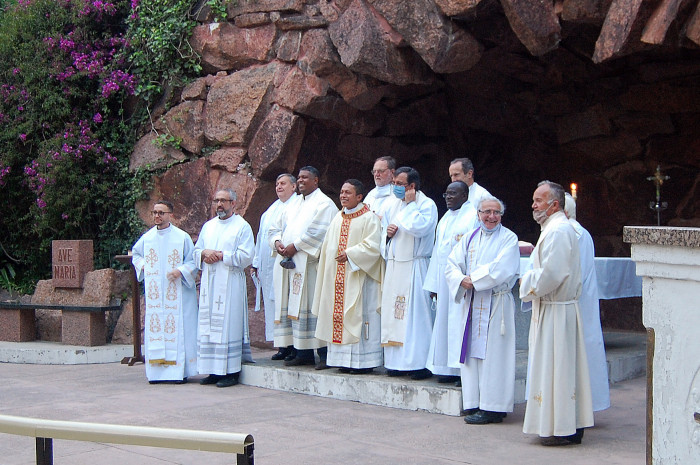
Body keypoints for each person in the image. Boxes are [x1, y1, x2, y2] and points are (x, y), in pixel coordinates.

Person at [520, 181, 594, 445]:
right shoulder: (553, 228)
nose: (533, 205)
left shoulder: (559, 231)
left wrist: (525, 283)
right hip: (554, 309)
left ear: (554, 204)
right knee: (561, 368)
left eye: (538, 200)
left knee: (559, 368)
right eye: (533, 200)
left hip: (557, 310)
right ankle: (567, 425)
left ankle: (560, 427)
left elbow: (553, 273)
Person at [445, 196, 520, 424]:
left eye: (496, 212)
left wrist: (472, 280)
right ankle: (474, 402)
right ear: (478, 214)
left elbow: (501, 268)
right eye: (486, 212)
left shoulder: (508, 238)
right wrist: (461, 279)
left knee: (495, 355)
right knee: (471, 354)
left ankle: (494, 407)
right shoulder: (469, 238)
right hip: (472, 302)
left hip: (496, 303)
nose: (491, 216)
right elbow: (451, 264)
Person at [269, 166, 338, 369]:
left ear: (316, 180)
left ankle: (324, 355)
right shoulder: (293, 204)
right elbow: (274, 228)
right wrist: (278, 243)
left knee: (313, 307)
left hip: (310, 266)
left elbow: (319, 232)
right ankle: (303, 352)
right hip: (290, 264)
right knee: (294, 307)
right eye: (298, 177)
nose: (300, 181)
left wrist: (295, 246)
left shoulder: (324, 203)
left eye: (305, 178)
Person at [312, 179, 384, 374]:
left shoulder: (369, 218)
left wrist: (351, 254)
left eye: (348, 193)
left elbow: (374, 246)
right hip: (337, 278)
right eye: (342, 192)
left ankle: (362, 363)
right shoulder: (338, 217)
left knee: (358, 315)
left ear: (359, 197)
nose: (343, 196)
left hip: (360, 278)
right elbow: (328, 248)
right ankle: (342, 361)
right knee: (338, 316)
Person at [132, 200, 198, 384]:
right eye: (154, 212)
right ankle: (156, 373)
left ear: (170, 214)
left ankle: (178, 373)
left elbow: (192, 262)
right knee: (156, 328)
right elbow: (136, 255)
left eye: (161, 212)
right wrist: (145, 266)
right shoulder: (147, 238)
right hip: (156, 296)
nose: (157, 216)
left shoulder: (181, 237)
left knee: (177, 330)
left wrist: (180, 271)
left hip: (176, 293)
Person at [194, 188, 255, 388]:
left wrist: (221, 255)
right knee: (209, 324)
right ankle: (213, 370)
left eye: (224, 201)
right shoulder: (208, 226)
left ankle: (230, 372)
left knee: (229, 325)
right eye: (216, 200)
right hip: (210, 282)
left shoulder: (242, 227)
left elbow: (247, 256)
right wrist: (204, 253)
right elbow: (197, 249)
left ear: (233, 203)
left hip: (230, 283)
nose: (219, 204)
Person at [380, 167, 438, 380]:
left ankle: (419, 364)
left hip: (415, 266)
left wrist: (411, 205)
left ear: (412, 186)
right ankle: (395, 363)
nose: (395, 187)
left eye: (399, 184)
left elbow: (419, 228)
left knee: (415, 317)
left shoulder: (426, 204)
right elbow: (382, 231)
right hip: (395, 266)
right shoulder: (391, 204)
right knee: (393, 315)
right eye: (394, 182)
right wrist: (386, 235)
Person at [423, 181, 477, 383]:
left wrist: (468, 279)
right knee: (444, 323)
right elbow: (437, 252)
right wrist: (434, 285)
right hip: (444, 282)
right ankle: (445, 368)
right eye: (446, 194)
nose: (448, 197)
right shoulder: (445, 217)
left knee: (458, 325)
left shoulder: (472, 217)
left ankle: (460, 370)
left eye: (453, 194)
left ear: (465, 196)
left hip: (461, 282)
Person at [564, 193, 610, 412]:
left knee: (580, 352)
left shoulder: (575, 233)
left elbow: (572, 272)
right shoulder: (569, 231)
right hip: (572, 300)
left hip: (574, 302)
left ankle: (581, 406)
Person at [251, 174, 298, 360]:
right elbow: (261, 236)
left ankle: (294, 345)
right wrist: (256, 262)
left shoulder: (296, 206)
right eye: (277, 183)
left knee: (286, 304)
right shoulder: (271, 209)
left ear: (293, 187)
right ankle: (281, 345)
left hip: (285, 264)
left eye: (283, 183)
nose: (278, 186)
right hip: (267, 267)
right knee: (273, 306)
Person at [364, 156, 396, 220]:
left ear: (392, 172)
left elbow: (400, 222)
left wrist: (379, 219)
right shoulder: (371, 194)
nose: (376, 174)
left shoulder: (397, 195)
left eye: (380, 171)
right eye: (374, 171)